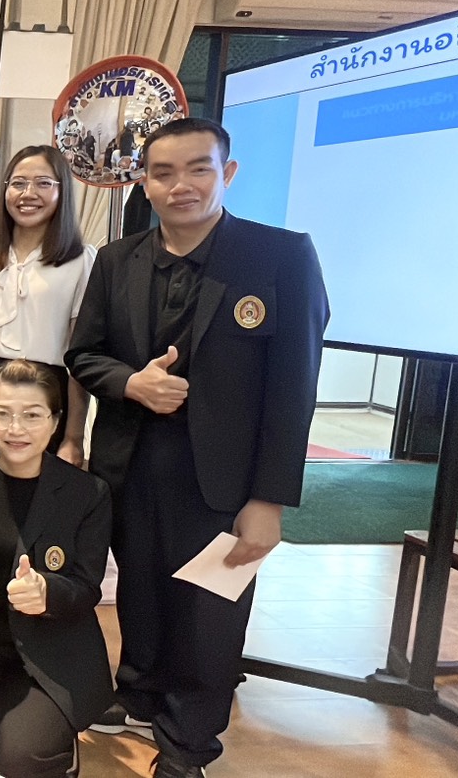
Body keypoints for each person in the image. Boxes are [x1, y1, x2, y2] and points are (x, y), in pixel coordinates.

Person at [68, 117, 328, 778]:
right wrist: (132, 383)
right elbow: (84, 354)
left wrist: (269, 499)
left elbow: (294, 386)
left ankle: (188, 744)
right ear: (143, 182)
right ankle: (141, 695)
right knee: (141, 593)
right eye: (163, 173)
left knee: (211, 613)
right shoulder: (117, 260)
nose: (180, 185)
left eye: (198, 169)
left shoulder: (280, 256)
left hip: (227, 481)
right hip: (131, 468)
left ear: (227, 173)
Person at [0, 360, 112, 777]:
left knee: (18, 754)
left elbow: (87, 586)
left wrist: (47, 592)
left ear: (55, 421)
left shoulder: (86, 492)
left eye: (33, 415)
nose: (16, 428)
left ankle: (63, 752)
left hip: (51, 654)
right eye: (2, 413)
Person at [0, 145, 94, 462]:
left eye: (43, 183)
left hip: (46, 389)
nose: (28, 194)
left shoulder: (81, 259)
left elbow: (80, 356)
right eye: (18, 183)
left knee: (38, 486)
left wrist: (73, 438)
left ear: (62, 191)